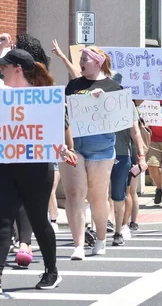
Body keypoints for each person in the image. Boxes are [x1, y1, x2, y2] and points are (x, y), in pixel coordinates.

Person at [0, 34, 77, 293]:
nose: (0, 69)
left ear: (16, 69)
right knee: (3, 219)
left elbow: (51, 133)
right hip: (4, 164)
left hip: (35, 167)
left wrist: (63, 150)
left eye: (5, 66)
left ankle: (52, 271)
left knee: (38, 219)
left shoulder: (44, 98)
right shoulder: (2, 91)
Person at [62, 46, 121, 260]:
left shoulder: (113, 86)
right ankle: (78, 244)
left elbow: (121, 118)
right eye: (81, 58)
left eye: (85, 58)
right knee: (75, 194)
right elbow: (65, 114)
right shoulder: (73, 85)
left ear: (97, 61)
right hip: (74, 147)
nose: (81, 62)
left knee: (97, 197)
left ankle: (101, 239)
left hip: (101, 148)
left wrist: (105, 101)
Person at [108, 74, 149, 246]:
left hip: (123, 154)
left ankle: (121, 226)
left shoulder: (127, 104)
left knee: (122, 193)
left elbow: (135, 132)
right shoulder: (93, 101)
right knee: (100, 194)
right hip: (98, 154)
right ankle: (99, 228)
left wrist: (141, 156)